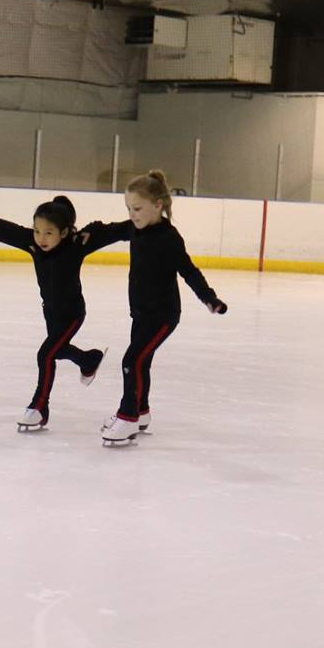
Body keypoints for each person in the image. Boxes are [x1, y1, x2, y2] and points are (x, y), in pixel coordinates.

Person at [82, 170, 228, 446]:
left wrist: (209, 298)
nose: (132, 214)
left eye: (137, 208)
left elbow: (188, 271)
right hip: (141, 313)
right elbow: (109, 230)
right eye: (128, 208)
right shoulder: (134, 229)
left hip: (163, 316)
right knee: (142, 362)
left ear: (157, 205)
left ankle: (127, 417)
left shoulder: (169, 238)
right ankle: (141, 413)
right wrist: (86, 234)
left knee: (131, 361)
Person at [0, 196, 110, 432]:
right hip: (51, 313)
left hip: (72, 313)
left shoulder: (76, 245)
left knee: (45, 354)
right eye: (37, 231)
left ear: (64, 233)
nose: (41, 238)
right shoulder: (32, 243)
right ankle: (89, 359)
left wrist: (95, 228)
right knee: (58, 350)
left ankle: (39, 408)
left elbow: (109, 231)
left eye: (48, 233)